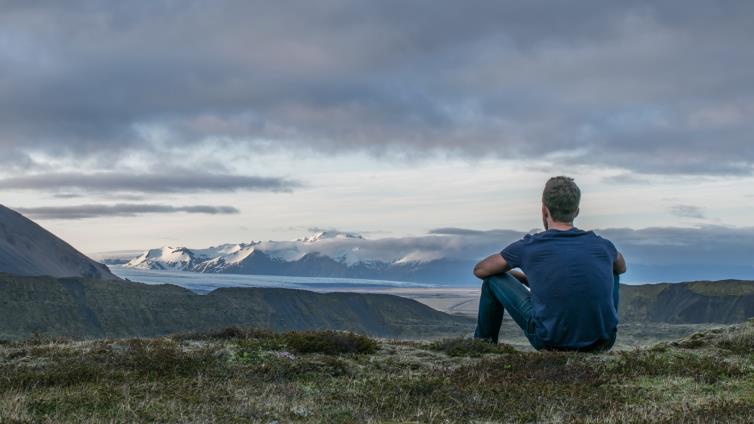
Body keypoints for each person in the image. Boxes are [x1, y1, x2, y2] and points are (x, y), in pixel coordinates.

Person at [472, 176, 627, 352]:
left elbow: (480, 270)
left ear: (544, 210)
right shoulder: (603, 246)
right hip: (603, 342)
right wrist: (527, 279)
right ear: (577, 211)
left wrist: (513, 275)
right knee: (613, 270)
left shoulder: (529, 246)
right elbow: (622, 267)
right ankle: (600, 329)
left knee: (492, 281)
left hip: (549, 341)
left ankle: (483, 347)